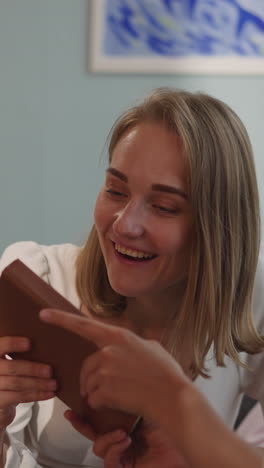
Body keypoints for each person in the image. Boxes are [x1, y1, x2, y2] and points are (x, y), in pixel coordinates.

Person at [0, 87, 264, 467]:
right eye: (115, 190)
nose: (125, 225)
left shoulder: (248, 297)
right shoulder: (40, 278)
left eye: (164, 206)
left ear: (217, 229)